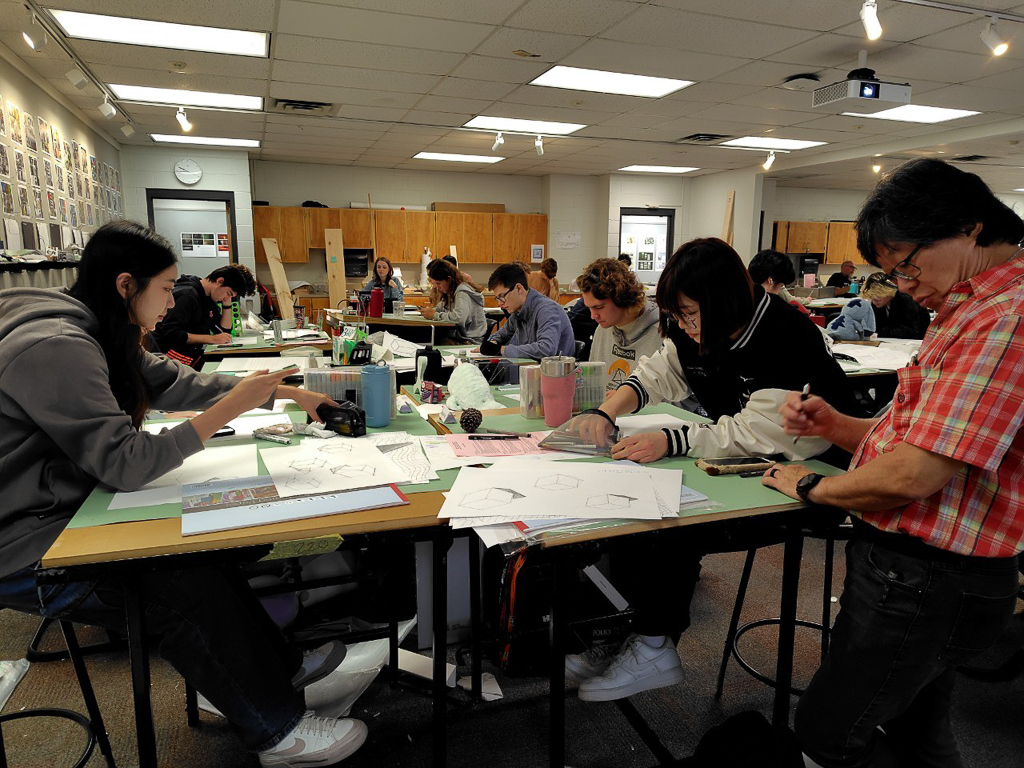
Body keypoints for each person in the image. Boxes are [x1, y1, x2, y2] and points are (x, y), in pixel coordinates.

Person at [0, 221, 366, 767]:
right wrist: (232, 408)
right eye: (167, 288)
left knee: (205, 555)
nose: (174, 303)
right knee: (180, 585)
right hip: (25, 544)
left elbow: (175, 382)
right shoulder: (58, 346)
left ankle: (274, 676)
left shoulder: (98, 324)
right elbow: (127, 463)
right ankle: (276, 732)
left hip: (69, 509)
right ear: (126, 284)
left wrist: (285, 393)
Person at [764, 158, 1024, 768]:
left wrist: (812, 486)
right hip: (925, 573)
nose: (904, 284)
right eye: (893, 272)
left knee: (829, 733)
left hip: (929, 577)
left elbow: (915, 475)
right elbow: (924, 443)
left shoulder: (1005, 317)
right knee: (917, 731)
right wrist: (837, 426)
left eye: (907, 263)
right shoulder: (968, 308)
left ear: (969, 227)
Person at [563, 238, 857, 702]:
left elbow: (759, 433)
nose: (684, 327)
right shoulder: (694, 326)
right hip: (746, 460)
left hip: (809, 476)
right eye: (677, 316)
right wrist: (607, 411)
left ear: (724, 301)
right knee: (633, 511)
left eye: (690, 315)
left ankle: (654, 645)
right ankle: (626, 632)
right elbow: (657, 372)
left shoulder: (785, 336)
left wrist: (672, 439)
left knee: (671, 523)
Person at [577, 257, 661, 392]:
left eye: (599, 307)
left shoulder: (661, 334)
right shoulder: (602, 330)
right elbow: (592, 385)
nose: (593, 316)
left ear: (621, 298)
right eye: (589, 308)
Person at [151, 263, 256, 367]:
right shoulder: (187, 295)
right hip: (168, 357)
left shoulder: (207, 297)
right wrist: (212, 339)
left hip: (188, 354)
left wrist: (227, 304)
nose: (226, 298)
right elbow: (171, 333)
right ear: (220, 281)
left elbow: (223, 331)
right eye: (228, 293)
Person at [480, 262, 574, 360]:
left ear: (519, 289)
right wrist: (491, 343)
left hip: (553, 368)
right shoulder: (518, 312)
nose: (500, 304)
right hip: (531, 367)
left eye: (502, 296)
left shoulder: (547, 309)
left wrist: (502, 350)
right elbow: (500, 335)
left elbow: (546, 349)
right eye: (497, 298)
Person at [421, 257, 486, 343]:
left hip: (469, 341)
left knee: (430, 341)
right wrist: (428, 312)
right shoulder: (450, 292)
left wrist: (434, 315)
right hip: (459, 337)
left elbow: (459, 319)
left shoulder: (462, 293)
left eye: (438, 283)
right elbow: (440, 308)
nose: (436, 287)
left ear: (449, 279)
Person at [862, 271, 931, 339]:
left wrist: (884, 331)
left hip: (918, 340)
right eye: (872, 298)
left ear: (888, 293)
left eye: (878, 298)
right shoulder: (879, 305)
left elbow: (911, 331)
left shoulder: (905, 300)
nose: (874, 302)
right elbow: (876, 328)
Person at [747, 248, 810, 315]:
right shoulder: (771, 309)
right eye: (781, 285)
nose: (778, 292)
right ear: (770, 281)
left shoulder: (744, 299)